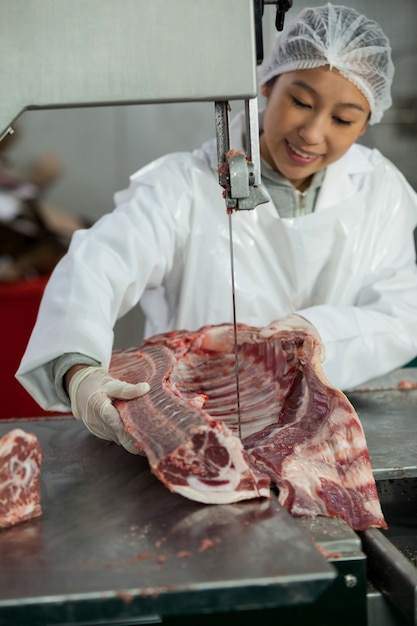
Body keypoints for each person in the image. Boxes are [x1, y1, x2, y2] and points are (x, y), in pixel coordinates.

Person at [16, 3, 417, 453]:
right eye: (300, 102)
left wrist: (314, 332)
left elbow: (403, 313)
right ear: (265, 83)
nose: (312, 132)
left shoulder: (382, 192)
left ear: (366, 123)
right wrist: (79, 368)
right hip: (195, 434)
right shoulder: (181, 185)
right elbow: (98, 264)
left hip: (321, 435)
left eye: (343, 119)